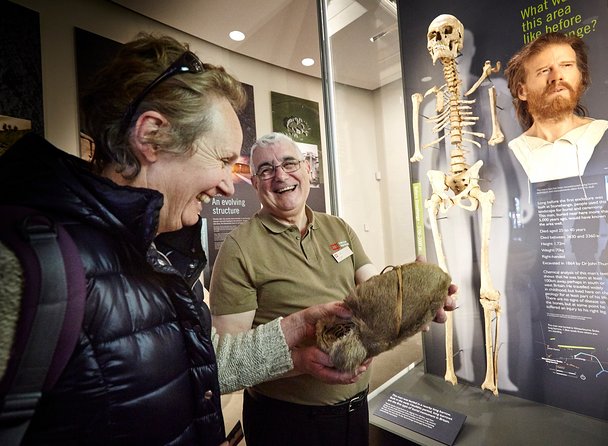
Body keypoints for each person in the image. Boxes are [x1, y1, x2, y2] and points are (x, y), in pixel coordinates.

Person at [0, 33, 364, 445]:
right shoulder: (28, 263)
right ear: (152, 136)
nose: (230, 186)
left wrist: (296, 333)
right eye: (224, 160)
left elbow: (197, 361)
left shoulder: (155, 251)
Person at [209, 132, 456, 446]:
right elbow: (229, 362)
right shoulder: (238, 249)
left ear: (307, 170)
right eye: (267, 170)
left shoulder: (338, 228)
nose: (281, 175)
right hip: (287, 421)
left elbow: (374, 292)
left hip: (355, 408)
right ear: (255, 184)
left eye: (289, 163)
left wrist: (415, 295)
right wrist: (300, 361)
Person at [505, 32, 608, 183]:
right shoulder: (513, 152)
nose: (557, 76)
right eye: (544, 71)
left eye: (567, 65)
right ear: (522, 91)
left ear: (580, 76)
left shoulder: (603, 133)